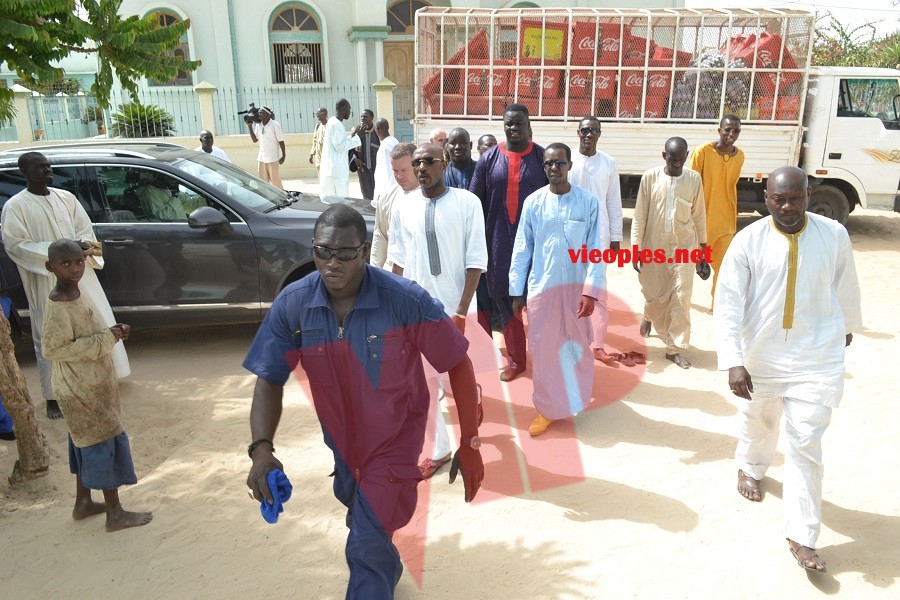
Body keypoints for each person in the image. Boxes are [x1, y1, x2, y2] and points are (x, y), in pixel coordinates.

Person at [244, 205, 484, 598]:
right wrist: (261, 449)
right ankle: (385, 563)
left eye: (345, 253)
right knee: (362, 520)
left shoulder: (403, 300)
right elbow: (269, 378)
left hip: (395, 444)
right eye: (323, 251)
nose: (332, 263)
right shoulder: (295, 304)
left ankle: (376, 564)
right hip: (342, 446)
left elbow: (457, 362)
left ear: (365, 249)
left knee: (364, 547)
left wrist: (470, 441)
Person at [715, 166, 862, 573]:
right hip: (761, 356)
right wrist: (734, 360)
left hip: (815, 356)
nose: (787, 207)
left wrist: (846, 326)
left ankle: (802, 535)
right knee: (760, 420)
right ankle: (751, 465)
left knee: (805, 444)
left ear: (808, 194)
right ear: (766, 199)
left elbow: (844, 284)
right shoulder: (748, 241)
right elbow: (728, 305)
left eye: (795, 198)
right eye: (779, 199)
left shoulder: (832, 236)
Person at [1, 152, 130, 419]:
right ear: (25, 171)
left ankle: (102, 378)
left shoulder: (66, 198)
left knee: (94, 322)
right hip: (46, 279)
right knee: (51, 335)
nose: (48, 170)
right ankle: (53, 396)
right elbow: (16, 246)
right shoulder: (16, 206)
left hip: (82, 275)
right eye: (40, 167)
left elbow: (86, 231)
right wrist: (57, 256)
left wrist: (81, 247)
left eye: (48, 166)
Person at [388, 144, 487, 477]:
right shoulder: (404, 206)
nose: (421, 167)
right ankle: (439, 449)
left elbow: (476, 260)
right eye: (416, 162)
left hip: (455, 309)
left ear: (443, 164)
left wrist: (461, 311)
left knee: (458, 378)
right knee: (422, 384)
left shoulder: (466, 202)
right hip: (417, 311)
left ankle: (473, 403)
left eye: (428, 161)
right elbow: (398, 258)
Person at [41, 239, 152, 532]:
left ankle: (83, 503)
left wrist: (110, 332)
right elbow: (53, 348)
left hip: (91, 384)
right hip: (80, 390)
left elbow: (86, 332)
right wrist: (106, 339)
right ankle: (114, 513)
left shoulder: (75, 292)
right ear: (50, 267)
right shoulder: (57, 304)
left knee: (86, 442)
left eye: (79, 262)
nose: (75, 268)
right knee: (102, 444)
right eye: (66, 264)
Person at [509, 143, 605, 436]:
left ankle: (573, 401)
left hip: (576, 292)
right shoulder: (534, 203)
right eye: (549, 164)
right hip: (543, 289)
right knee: (543, 350)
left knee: (576, 349)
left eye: (559, 163)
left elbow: (596, 250)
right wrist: (517, 290)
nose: (554, 169)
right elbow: (522, 247)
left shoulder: (587, 203)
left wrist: (591, 291)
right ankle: (547, 409)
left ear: (569, 166)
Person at [470, 104, 547, 382]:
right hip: (499, 245)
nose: (513, 128)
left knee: (540, 304)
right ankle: (517, 360)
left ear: (529, 125)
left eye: (518, 123)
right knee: (505, 303)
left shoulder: (542, 158)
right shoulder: (488, 159)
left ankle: (547, 360)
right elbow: (473, 203)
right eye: (508, 124)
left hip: (537, 246)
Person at [631, 137, 707, 369]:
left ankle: (674, 348)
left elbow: (700, 216)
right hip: (654, 247)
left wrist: (703, 250)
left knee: (681, 297)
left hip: (684, 248)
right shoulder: (650, 177)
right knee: (655, 293)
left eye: (680, 160)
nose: (676, 165)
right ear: (664, 156)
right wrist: (636, 248)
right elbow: (639, 216)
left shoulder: (693, 179)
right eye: (672, 160)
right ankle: (649, 314)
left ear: (686, 157)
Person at [568, 116, 623, 365]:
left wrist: (615, 237)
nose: (589, 134)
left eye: (594, 131)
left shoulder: (609, 163)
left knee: (597, 291)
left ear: (599, 134)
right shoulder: (568, 161)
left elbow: (613, 200)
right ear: (578, 132)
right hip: (570, 237)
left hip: (599, 237)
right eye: (585, 130)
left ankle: (598, 345)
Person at [690, 115, 745, 305]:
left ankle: (717, 306)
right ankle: (675, 303)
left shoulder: (740, 156)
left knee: (724, 268)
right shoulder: (702, 152)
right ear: (719, 130)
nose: (731, 134)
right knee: (683, 267)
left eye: (736, 130)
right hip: (699, 222)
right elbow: (691, 187)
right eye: (727, 129)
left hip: (725, 223)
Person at [371, 143, 418, 271]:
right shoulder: (386, 198)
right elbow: (380, 237)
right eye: (395, 171)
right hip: (393, 273)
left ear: (416, 166)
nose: (399, 176)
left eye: (404, 170)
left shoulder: (431, 196)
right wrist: (376, 273)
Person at [320, 99, 362, 198]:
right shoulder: (335, 124)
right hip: (336, 172)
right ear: (343, 108)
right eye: (349, 109)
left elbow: (340, 141)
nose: (350, 112)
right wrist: (357, 138)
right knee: (341, 201)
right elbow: (339, 147)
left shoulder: (334, 122)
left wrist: (352, 135)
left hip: (335, 171)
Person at [247, 107, 285, 189]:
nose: (259, 114)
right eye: (259, 113)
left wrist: (283, 155)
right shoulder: (258, 125)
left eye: (262, 113)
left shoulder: (275, 125)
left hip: (272, 158)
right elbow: (254, 140)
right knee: (263, 182)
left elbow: (281, 141)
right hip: (261, 158)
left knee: (275, 182)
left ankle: (282, 197)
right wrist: (250, 126)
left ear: (268, 115)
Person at [139, 172, 203, 222]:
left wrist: (208, 200)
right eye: (167, 177)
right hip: (170, 232)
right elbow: (162, 216)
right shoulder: (150, 191)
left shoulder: (167, 190)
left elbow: (190, 203)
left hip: (182, 227)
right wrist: (174, 195)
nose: (170, 180)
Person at [350, 109, 380, 201]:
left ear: (371, 118)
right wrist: (355, 159)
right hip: (362, 168)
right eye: (362, 116)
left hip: (376, 168)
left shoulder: (377, 132)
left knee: (378, 192)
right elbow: (350, 148)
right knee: (366, 193)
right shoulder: (357, 131)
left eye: (365, 116)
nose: (363, 118)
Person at [372, 118, 399, 204]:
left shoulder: (385, 147)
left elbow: (385, 172)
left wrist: (381, 193)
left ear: (377, 128)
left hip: (387, 192)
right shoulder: (394, 140)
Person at [308, 107, 328, 174]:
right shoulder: (318, 126)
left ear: (325, 115)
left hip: (327, 156)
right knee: (320, 174)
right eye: (317, 114)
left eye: (319, 114)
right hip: (318, 156)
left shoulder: (329, 126)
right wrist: (311, 154)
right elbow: (315, 140)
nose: (317, 116)